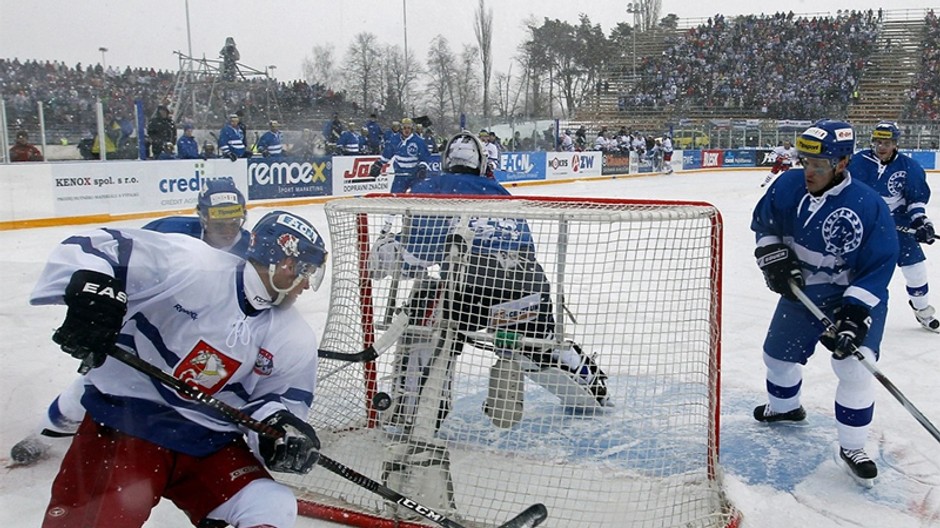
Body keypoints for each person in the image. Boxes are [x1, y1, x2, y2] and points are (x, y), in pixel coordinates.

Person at [31, 208, 326, 528]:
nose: (308, 285)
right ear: (282, 263)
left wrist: (277, 432)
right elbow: (93, 245)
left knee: (270, 504)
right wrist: (95, 291)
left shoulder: (294, 336)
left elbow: (277, 404)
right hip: (126, 423)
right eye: (305, 270)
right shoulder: (192, 264)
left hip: (206, 441)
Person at [369, 131, 609, 433]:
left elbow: (410, 260)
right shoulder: (501, 193)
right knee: (537, 345)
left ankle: (412, 411)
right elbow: (525, 251)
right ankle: (588, 380)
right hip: (531, 292)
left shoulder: (435, 189)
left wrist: (386, 249)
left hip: (471, 294)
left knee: (424, 312)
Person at [10, 179, 253, 466]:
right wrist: (104, 301)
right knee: (100, 376)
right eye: (219, 218)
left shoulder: (251, 248)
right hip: (146, 316)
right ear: (202, 215)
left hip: (192, 329)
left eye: (234, 217)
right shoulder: (169, 231)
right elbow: (121, 260)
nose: (228, 228)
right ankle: (48, 432)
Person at [751, 119, 898, 484]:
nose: (809, 172)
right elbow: (764, 225)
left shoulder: (867, 204)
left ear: (842, 163)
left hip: (856, 295)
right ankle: (785, 408)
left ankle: (852, 445)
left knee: (853, 367)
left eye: (818, 165)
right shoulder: (786, 186)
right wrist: (773, 258)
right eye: (805, 162)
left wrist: (853, 315)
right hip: (804, 292)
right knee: (776, 357)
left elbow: (879, 265)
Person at [848, 121, 939, 332]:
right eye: (878, 142)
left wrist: (921, 222)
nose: (881, 146)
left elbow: (915, 201)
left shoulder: (909, 167)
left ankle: (922, 310)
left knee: (915, 269)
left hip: (897, 223)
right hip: (863, 224)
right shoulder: (857, 162)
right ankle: (850, 311)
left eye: (887, 142)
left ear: (895, 143)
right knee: (854, 270)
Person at [370, 117, 431, 193]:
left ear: (412, 129)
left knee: (418, 196)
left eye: (409, 128)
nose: (407, 130)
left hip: (415, 175)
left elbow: (425, 157)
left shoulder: (418, 141)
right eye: (404, 128)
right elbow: (386, 155)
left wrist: (422, 168)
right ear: (401, 128)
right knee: (395, 198)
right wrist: (378, 165)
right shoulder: (394, 140)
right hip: (400, 175)